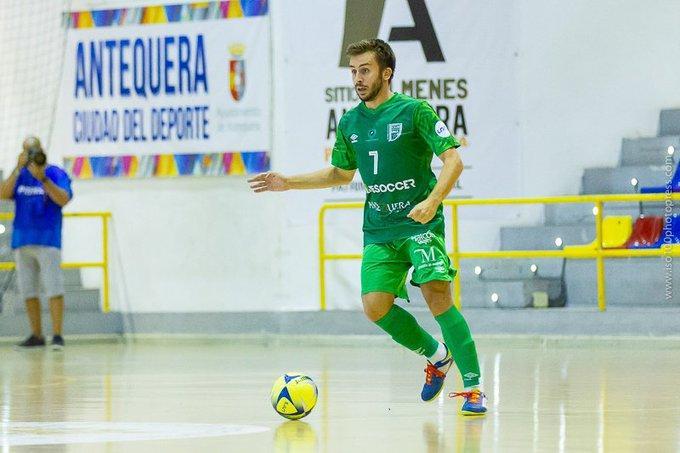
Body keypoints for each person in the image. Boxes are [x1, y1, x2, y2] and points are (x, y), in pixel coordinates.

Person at [249, 39, 486, 415]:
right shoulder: (350, 122)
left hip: (419, 226)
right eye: (353, 71)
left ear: (385, 72)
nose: (357, 78)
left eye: (365, 70)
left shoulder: (415, 111)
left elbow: (453, 161)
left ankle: (473, 388)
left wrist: (431, 201)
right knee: (375, 307)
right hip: (379, 229)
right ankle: (438, 356)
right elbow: (340, 173)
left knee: (438, 296)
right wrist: (288, 182)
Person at [0, 136, 73, 349]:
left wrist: (43, 180)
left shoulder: (55, 173)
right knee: (28, 290)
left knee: (53, 288)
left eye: (34, 150)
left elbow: (63, 199)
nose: (32, 154)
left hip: (48, 240)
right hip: (23, 240)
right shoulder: (20, 175)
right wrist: (16, 168)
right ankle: (36, 335)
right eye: (27, 151)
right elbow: (3, 194)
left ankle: (57, 335)